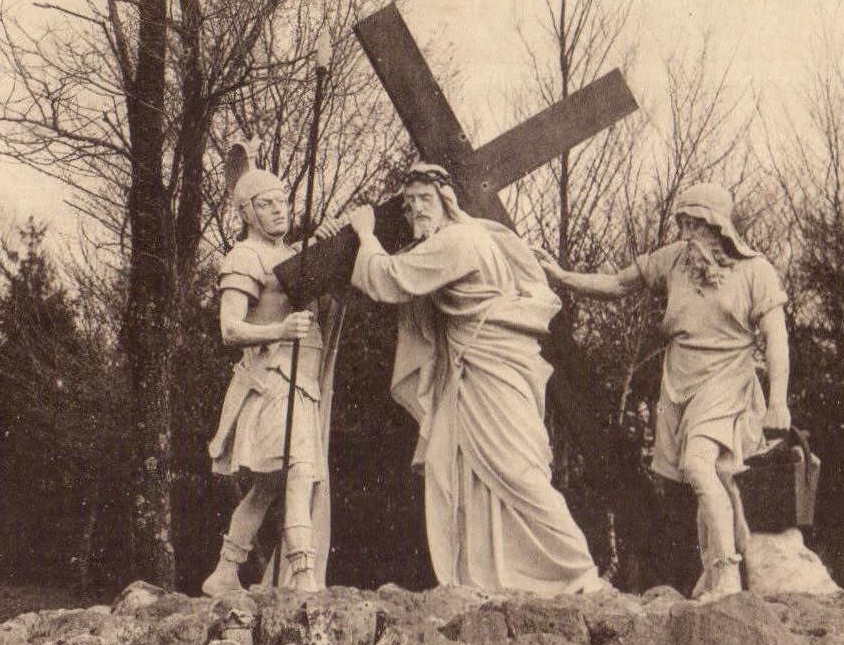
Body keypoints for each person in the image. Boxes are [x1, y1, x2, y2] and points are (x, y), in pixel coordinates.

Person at [320, 163, 604, 597]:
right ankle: (489, 576)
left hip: (491, 366)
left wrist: (365, 235)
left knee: (513, 468)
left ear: (446, 201)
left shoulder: (456, 241)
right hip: (474, 368)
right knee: (463, 469)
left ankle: (577, 569)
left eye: (425, 199)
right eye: (409, 202)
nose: (416, 209)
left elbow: (390, 279)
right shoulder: (471, 235)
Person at [535, 182, 790, 602]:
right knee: (711, 478)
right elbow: (617, 284)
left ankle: (727, 572)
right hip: (680, 383)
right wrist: (562, 277)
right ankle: (714, 570)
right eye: (682, 223)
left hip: (727, 380)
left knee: (698, 466)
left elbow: (776, 338)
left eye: (695, 224)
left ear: (718, 226)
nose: (686, 233)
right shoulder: (673, 260)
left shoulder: (755, 270)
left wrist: (778, 401)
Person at [203, 168, 335, 597]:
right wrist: (280, 330)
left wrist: (329, 246)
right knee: (298, 472)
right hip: (272, 380)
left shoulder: (296, 254)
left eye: (282, 201)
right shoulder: (244, 257)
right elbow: (229, 329)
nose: (279, 210)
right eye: (266, 204)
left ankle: (225, 572)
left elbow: (332, 293)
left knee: (270, 485)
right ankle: (303, 576)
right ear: (247, 212)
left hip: (304, 382)